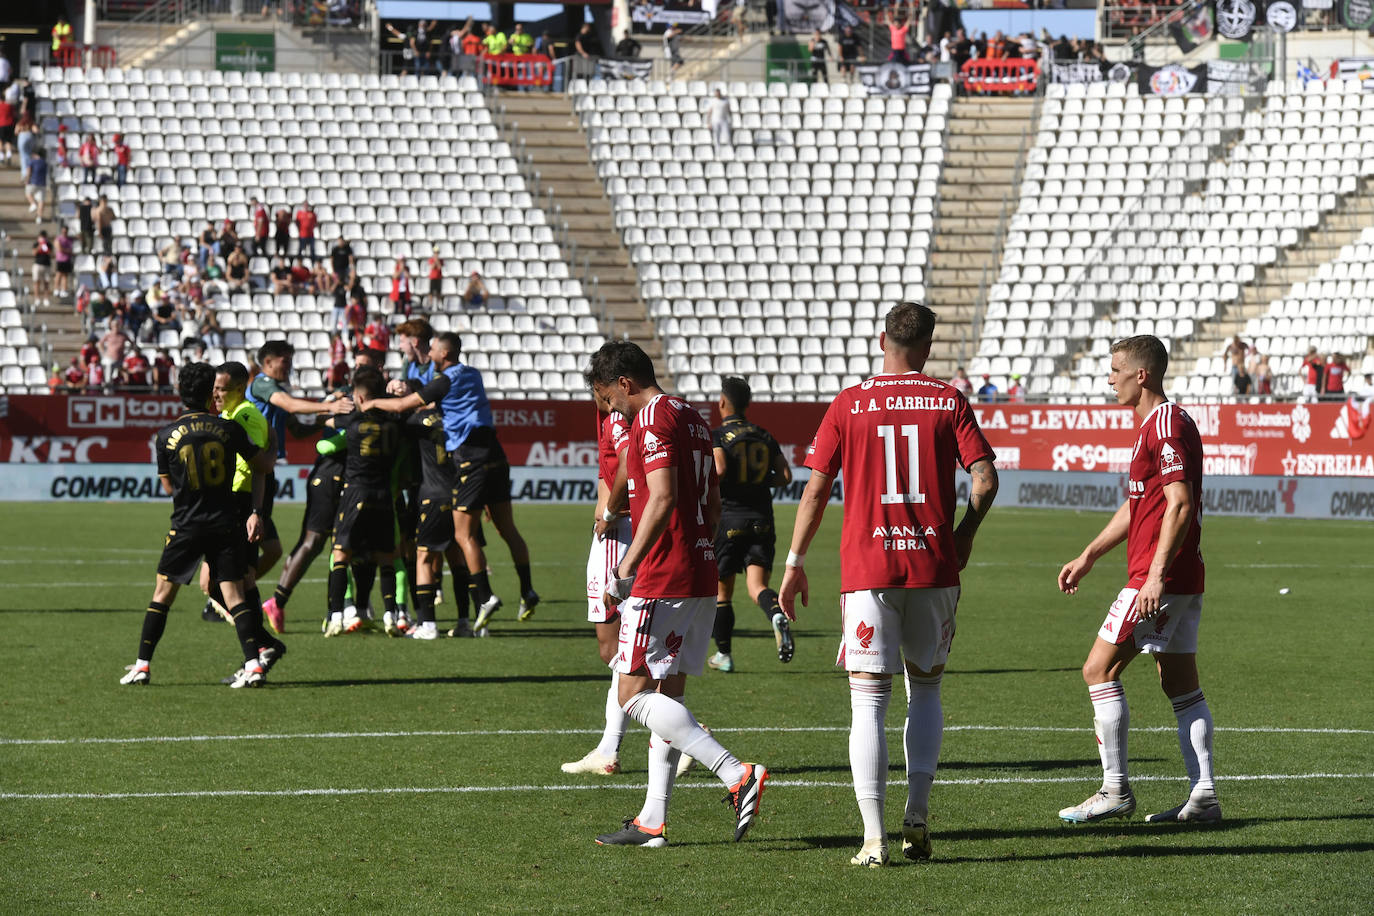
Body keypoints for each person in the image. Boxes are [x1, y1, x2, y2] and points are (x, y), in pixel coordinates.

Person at [779, 302, 998, 867]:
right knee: (925, 690)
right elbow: (985, 479)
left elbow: (814, 490)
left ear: (882, 341)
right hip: (932, 568)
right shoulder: (947, 399)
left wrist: (794, 562)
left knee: (867, 703)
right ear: (926, 346)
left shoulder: (850, 403)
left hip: (868, 570)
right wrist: (965, 533)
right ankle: (917, 819)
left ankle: (873, 838)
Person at [584, 340, 767, 848]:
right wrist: (700, 544)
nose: (610, 409)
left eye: (608, 397)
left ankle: (736, 773)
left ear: (624, 383)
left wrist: (627, 563)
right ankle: (652, 821)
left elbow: (661, 497)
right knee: (669, 694)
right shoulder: (691, 416)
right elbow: (710, 495)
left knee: (632, 694)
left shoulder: (653, 419)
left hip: (663, 573)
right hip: (698, 567)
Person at [1055, 335, 1217, 826]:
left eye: (1115, 370)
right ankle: (1205, 796)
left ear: (1141, 375)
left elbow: (1180, 502)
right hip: (1180, 578)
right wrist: (1089, 555)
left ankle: (1115, 790)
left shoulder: (1165, 424)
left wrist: (1154, 578)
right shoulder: (1157, 425)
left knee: (1098, 670)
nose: (1109, 379)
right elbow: (1139, 504)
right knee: (1180, 685)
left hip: (1159, 580)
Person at [359, 332, 539, 628]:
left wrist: (372, 403)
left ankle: (485, 596)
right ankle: (527, 590)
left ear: (443, 353)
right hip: (497, 455)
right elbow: (450, 406)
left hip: (471, 459)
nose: (428, 353)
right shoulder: (473, 374)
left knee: (462, 535)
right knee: (508, 528)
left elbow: (405, 406)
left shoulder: (443, 381)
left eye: (432, 349)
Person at [117, 362, 280, 688]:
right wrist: (271, 439)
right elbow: (263, 464)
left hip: (187, 524)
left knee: (162, 595)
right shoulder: (230, 430)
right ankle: (253, 665)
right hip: (224, 521)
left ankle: (142, 666)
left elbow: (167, 487)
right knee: (234, 595)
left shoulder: (165, 436)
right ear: (210, 394)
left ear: (180, 395)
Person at [562, 389, 634, 776]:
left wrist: (608, 510)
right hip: (623, 531)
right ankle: (678, 732)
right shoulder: (619, 416)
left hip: (619, 534)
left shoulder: (617, 417)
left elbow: (626, 460)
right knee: (623, 651)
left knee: (614, 650)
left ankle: (680, 732)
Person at [248, 340, 354, 593]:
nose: (289, 366)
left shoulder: (276, 390)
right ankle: (221, 595)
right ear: (268, 362)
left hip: (266, 471)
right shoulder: (263, 383)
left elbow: (296, 428)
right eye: (285, 361)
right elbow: (291, 405)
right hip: (251, 470)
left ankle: (236, 590)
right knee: (247, 538)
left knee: (269, 547)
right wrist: (330, 405)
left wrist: (323, 422)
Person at [707, 377, 794, 674]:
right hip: (762, 520)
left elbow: (718, 469)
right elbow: (784, 475)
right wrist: (757, 481)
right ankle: (774, 614)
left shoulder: (718, 435)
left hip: (730, 520)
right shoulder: (763, 434)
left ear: (722, 402)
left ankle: (724, 655)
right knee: (758, 587)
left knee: (723, 594)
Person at [321, 367, 406, 637]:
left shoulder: (352, 422)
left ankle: (336, 616)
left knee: (340, 555)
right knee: (386, 558)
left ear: (358, 397)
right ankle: (391, 615)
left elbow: (328, 424)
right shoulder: (394, 424)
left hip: (356, 492)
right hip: (383, 493)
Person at [25, 145, 47, 221]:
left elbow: (29, 171)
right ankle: (39, 217)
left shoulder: (32, 161)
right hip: (42, 184)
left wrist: (27, 180)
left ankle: (33, 203)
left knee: (28, 193)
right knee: (41, 201)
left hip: (33, 182)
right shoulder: (44, 162)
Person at [31, 230, 52, 306]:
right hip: (37, 264)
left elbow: (50, 253)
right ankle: (37, 298)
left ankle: (46, 299)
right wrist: (40, 245)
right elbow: (34, 253)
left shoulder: (48, 244)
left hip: (46, 265)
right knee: (36, 282)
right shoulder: (36, 244)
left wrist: (45, 245)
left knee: (46, 282)